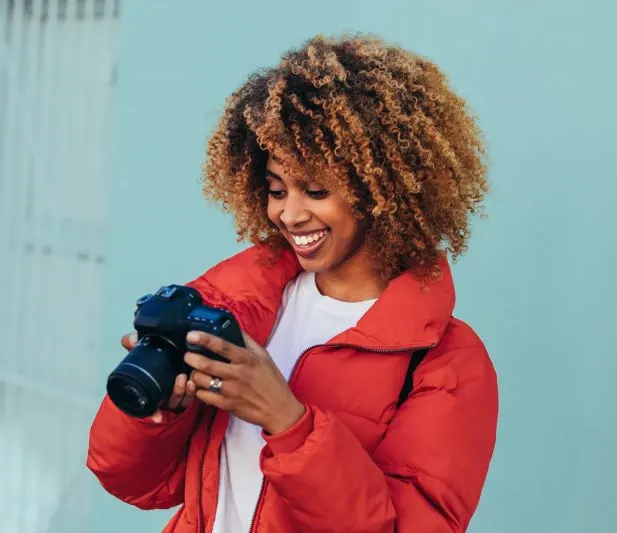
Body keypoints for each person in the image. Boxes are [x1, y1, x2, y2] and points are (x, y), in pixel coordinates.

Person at [86, 34, 498, 533]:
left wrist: (289, 422)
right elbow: (133, 480)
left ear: (383, 189)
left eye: (317, 189)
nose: (291, 213)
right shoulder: (236, 304)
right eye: (277, 189)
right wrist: (161, 415)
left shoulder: (446, 364)